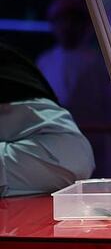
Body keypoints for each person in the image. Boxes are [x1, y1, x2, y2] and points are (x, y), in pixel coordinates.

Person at [37, 0, 111, 177]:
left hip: (93, 140)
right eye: (62, 21)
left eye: (72, 21)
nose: (67, 27)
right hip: (56, 142)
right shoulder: (45, 61)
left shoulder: (98, 63)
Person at [1, 42, 95, 197]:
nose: (67, 25)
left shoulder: (93, 60)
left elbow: (74, 157)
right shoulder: (47, 59)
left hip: (67, 140)